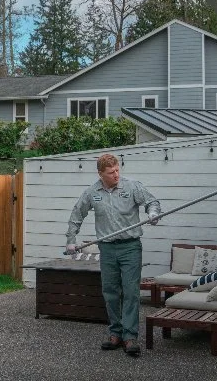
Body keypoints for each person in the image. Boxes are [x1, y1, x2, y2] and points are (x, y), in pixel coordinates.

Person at [65, 153, 161, 356]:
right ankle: (115, 333)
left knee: (131, 292)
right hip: (107, 248)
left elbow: (152, 202)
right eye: (111, 172)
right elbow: (76, 215)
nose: (116, 174)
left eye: (118, 170)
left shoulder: (132, 186)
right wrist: (71, 241)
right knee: (110, 292)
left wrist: (153, 213)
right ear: (101, 174)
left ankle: (130, 336)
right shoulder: (92, 192)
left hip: (130, 247)